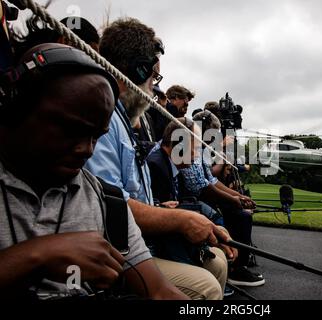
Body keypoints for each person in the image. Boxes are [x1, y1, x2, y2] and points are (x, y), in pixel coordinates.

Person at [0, 43, 187, 300]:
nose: (86, 149)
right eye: (70, 129)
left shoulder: (108, 203)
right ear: (13, 109)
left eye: (96, 137)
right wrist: (37, 256)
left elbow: (159, 291)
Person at [84, 18, 231, 300]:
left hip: (139, 243)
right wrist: (179, 219)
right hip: (117, 255)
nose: (153, 87)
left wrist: (164, 209)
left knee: (216, 263)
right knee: (207, 287)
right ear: (138, 70)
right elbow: (108, 204)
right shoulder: (107, 119)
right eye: (154, 77)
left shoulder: (124, 121)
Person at [179, 111, 265, 287]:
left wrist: (238, 196)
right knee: (237, 216)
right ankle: (233, 267)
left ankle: (236, 265)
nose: (216, 138)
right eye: (214, 133)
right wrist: (233, 199)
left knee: (240, 214)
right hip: (189, 201)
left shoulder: (201, 149)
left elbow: (211, 180)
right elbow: (200, 186)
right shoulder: (190, 148)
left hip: (202, 198)